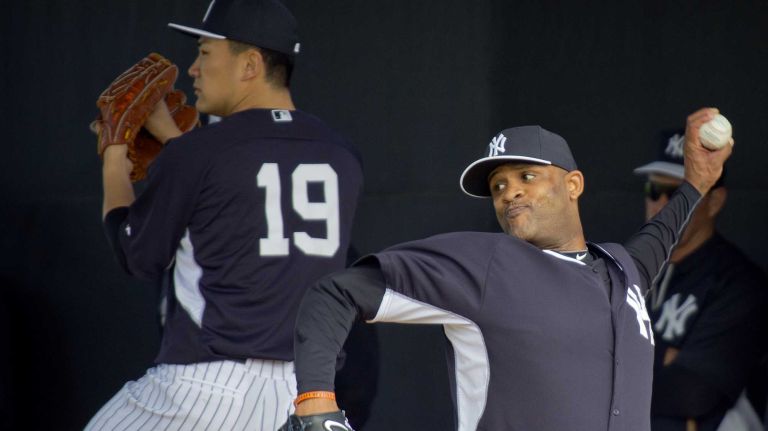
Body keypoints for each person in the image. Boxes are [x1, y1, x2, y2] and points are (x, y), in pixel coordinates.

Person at [278, 108, 732, 431]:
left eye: (526, 177)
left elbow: (661, 234)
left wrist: (696, 182)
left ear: (573, 184)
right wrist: (315, 399)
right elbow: (336, 293)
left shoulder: (620, 268)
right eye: (498, 185)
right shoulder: (485, 263)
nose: (509, 192)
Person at [86, 0, 363, 430]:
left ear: (250, 63)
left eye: (204, 52)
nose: (193, 68)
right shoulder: (340, 151)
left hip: (206, 383)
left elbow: (135, 253)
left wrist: (113, 153)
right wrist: (174, 142)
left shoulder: (199, 152)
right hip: (303, 391)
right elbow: (238, 186)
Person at [634, 130, 768, 431]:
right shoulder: (628, 270)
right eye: (654, 190)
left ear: (715, 201)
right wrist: (664, 358)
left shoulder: (739, 284)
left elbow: (692, 393)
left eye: (681, 193)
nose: (662, 205)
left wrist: (620, 361)